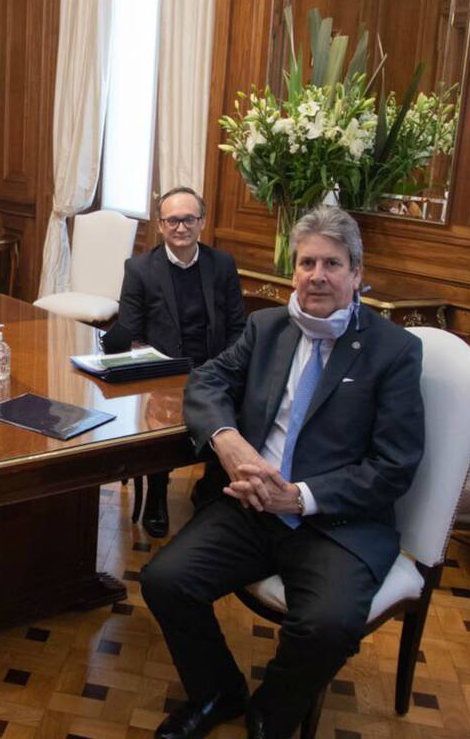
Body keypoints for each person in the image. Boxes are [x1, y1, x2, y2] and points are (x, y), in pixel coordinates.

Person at [141, 206, 424, 739]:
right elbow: (205, 382)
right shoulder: (267, 326)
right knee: (164, 580)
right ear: (293, 271)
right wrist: (228, 443)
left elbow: (394, 467)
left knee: (327, 626)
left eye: (332, 264)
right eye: (306, 262)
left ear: (357, 274)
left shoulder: (394, 351)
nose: (317, 275)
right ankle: (218, 692)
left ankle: (271, 714)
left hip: (336, 522)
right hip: (250, 506)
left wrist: (300, 498)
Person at [102, 187, 246, 537]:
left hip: (215, 367)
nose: (180, 227)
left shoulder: (222, 264)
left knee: (241, 408)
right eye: (172, 220)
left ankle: (210, 491)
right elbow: (132, 330)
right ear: (161, 225)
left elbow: (239, 326)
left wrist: (228, 369)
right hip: (164, 373)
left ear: (202, 222)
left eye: (188, 219)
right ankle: (157, 493)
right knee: (158, 417)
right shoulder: (139, 268)